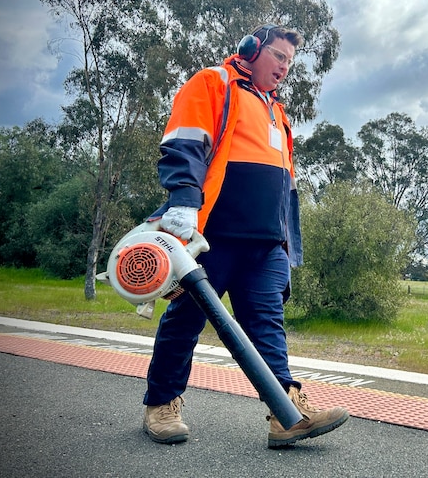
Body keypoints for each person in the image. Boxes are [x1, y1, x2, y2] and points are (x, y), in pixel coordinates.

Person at [142, 24, 349, 449]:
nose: (285, 67)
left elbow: (284, 182)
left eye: (290, 61)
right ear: (251, 50)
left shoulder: (279, 111)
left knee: (268, 327)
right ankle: (161, 404)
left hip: (266, 243)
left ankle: (287, 412)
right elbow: (184, 142)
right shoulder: (214, 84)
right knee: (185, 322)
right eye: (278, 56)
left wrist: (287, 238)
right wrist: (183, 201)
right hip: (210, 237)